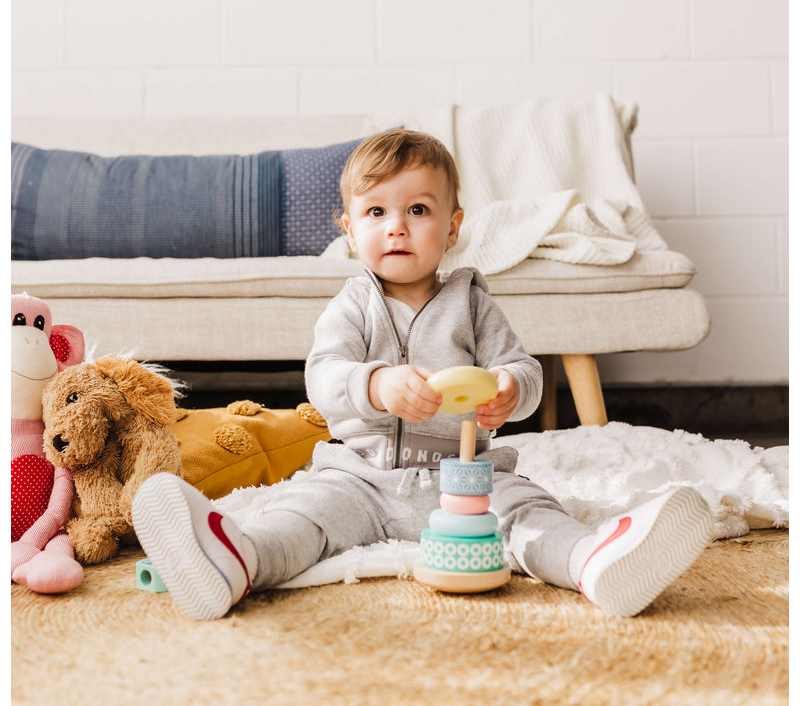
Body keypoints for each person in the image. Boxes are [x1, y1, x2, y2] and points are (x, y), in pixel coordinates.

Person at [132, 129, 713, 621]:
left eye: (418, 210)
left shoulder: (473, 302)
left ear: (453, 226)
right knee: (304, 518)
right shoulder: (353, 304)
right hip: (360, 477)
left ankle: (595, 561)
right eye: (376, 212)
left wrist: (510, 390)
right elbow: (324, 374)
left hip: (465, 477)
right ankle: (237, 558)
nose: (397, 227)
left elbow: (522, 368)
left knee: (527, 512)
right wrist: (377, 385)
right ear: (350, 230)